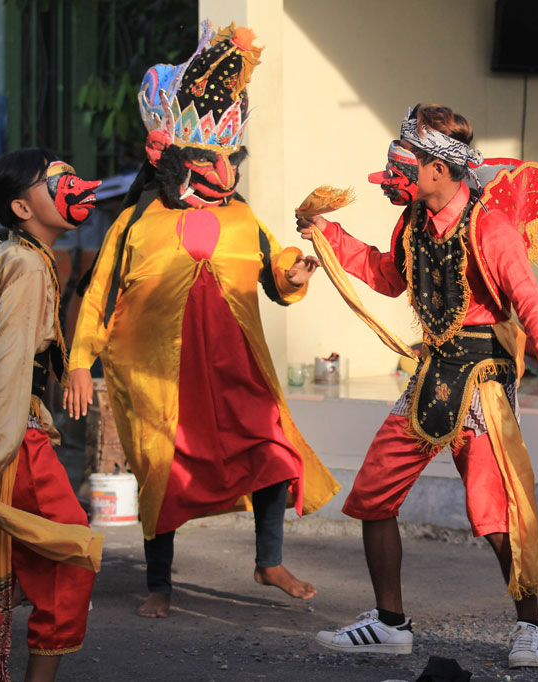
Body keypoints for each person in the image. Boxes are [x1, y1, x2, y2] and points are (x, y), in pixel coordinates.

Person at [65, 22, 340, 619]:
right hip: (162, 378)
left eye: (231, 160)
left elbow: (275, 270)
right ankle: (159, 584)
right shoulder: (137, 223)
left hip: (236, 372)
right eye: (217, 161)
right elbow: (98, 296)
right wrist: (79, 362)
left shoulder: (243, 217)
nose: (229, 172)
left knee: (274, 453)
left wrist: (297, 274)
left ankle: (269, 562)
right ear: (185, 164)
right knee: (164, 475)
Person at [300, 104, 538, 669]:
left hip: (481, 383)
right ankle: (389, 622)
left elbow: (529, 303)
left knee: (495, 513)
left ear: (438, 169)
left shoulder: (490, 227)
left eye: (406, 167)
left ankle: (531, 627)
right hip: (431, 377)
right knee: (373, 495)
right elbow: (386, 275)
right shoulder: (413, 223)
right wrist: (330, 235)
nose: (395, 181)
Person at [0, 148, 102, 681]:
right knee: (70, 555)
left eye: (70, 176)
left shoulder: (25, 256)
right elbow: (9, 365)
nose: (71, 184)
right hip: (12, 435)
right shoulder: (27, 263)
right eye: (55, 179)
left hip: (7, 428)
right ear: (21, 207)